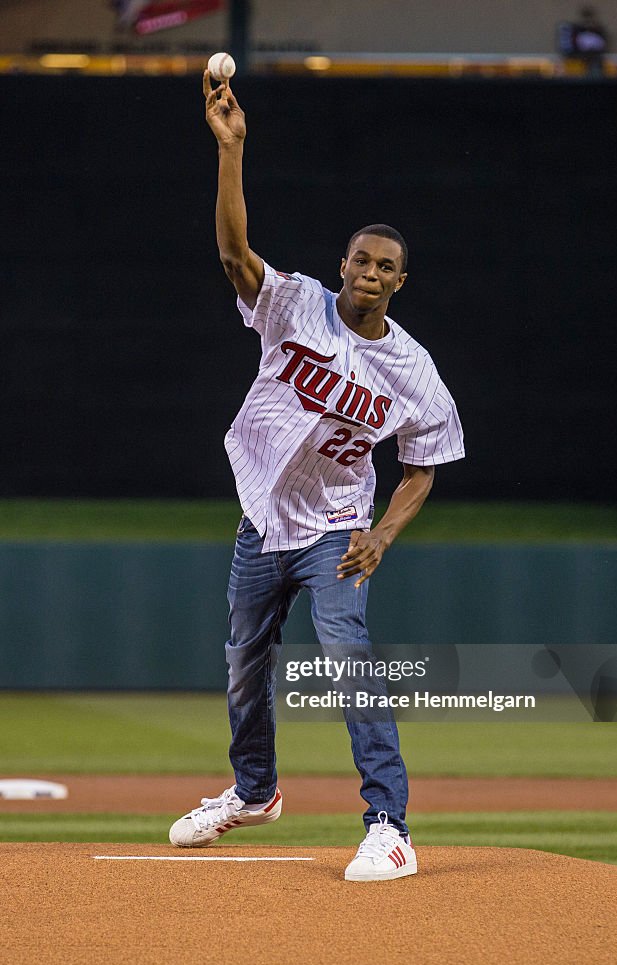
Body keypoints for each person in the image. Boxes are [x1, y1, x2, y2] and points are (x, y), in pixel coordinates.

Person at [169, 71, 465, 882]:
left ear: (400, 282)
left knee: (349, 661)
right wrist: (231, 149)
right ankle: (254, 792)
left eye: (387, 266)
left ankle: (389, 825)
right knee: (242, 665)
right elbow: (234, 254)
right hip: (262, 521)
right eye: (362, 258)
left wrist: (383, 533)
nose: (370, 271)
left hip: (335, 531)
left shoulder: (412, 369)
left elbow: (424, 464)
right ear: (343, 265)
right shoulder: (295, 304)